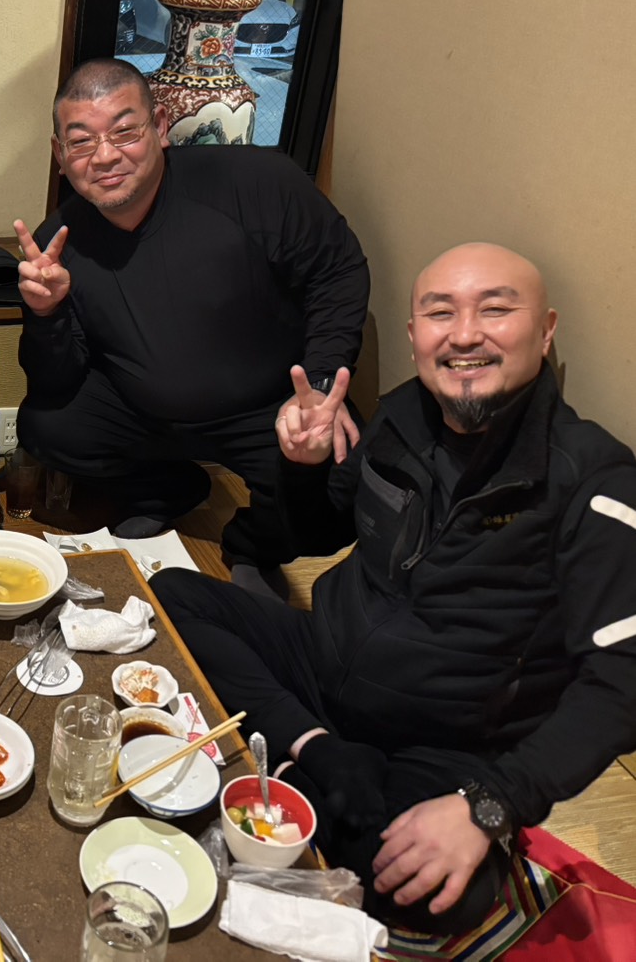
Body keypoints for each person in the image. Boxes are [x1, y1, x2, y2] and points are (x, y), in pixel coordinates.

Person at [152, 243, 636, 933]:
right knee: (172, 596)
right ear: (414, 336)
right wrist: (301, 467)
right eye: (440, 313)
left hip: (442, 742)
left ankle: (282, 766)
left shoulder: (595, 482)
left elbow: (620, 686)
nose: (464, 334)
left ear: (546, 329)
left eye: (494, 310)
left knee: (429, 895)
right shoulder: (403, 414)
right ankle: (313, 751)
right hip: (324, 663)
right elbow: (318, 532)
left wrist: (489, 807)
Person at [15, 58, 368, 588]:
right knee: (47, 425)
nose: (105, 156)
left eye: (125, 132)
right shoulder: (55, 244)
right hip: (140, 413)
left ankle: (253, 544)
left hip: (265, 405)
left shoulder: (255, 183)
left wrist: (321, 381)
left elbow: (337, 270)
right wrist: (47, 314)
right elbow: (55, 382)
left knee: (342, 483)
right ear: (60, 155)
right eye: (82, 141)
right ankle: (168, 490)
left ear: (160, 127)